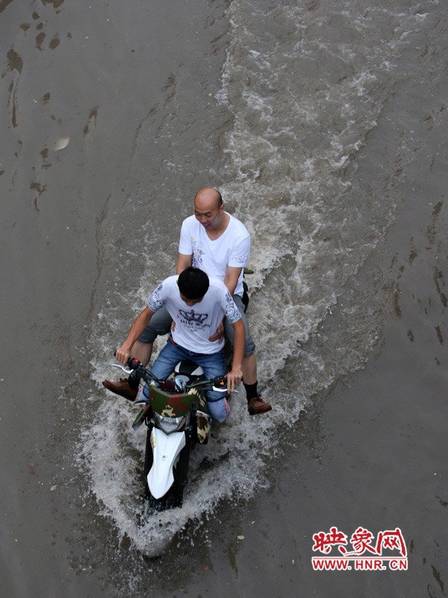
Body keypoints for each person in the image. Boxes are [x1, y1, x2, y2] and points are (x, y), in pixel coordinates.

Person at [104, 186, 271, 415]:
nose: (202, 220)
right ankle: (133, 384)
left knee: (245, 342)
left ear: (221, 208)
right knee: (149, 328)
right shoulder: (189, 225)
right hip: (190, 290)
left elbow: (230, 282)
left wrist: (218, 319)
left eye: (208, 215)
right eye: (198, 213)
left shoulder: (239, 235)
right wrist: (177, 311)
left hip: (225, 296)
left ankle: (253, 396)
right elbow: (182, 267)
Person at [114, 267, 244, 422]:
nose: (189, 305)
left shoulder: (218, 291)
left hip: (210, 353)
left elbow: (239, 327)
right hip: (176, 347)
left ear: (205, 292)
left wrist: (236, 368)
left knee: (219, 414)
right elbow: (146, 314)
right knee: (146, 393)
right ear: (178, 287)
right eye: (185, 300)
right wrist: (126, 346)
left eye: (194, 301)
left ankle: (223, 395)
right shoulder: (168, 286)